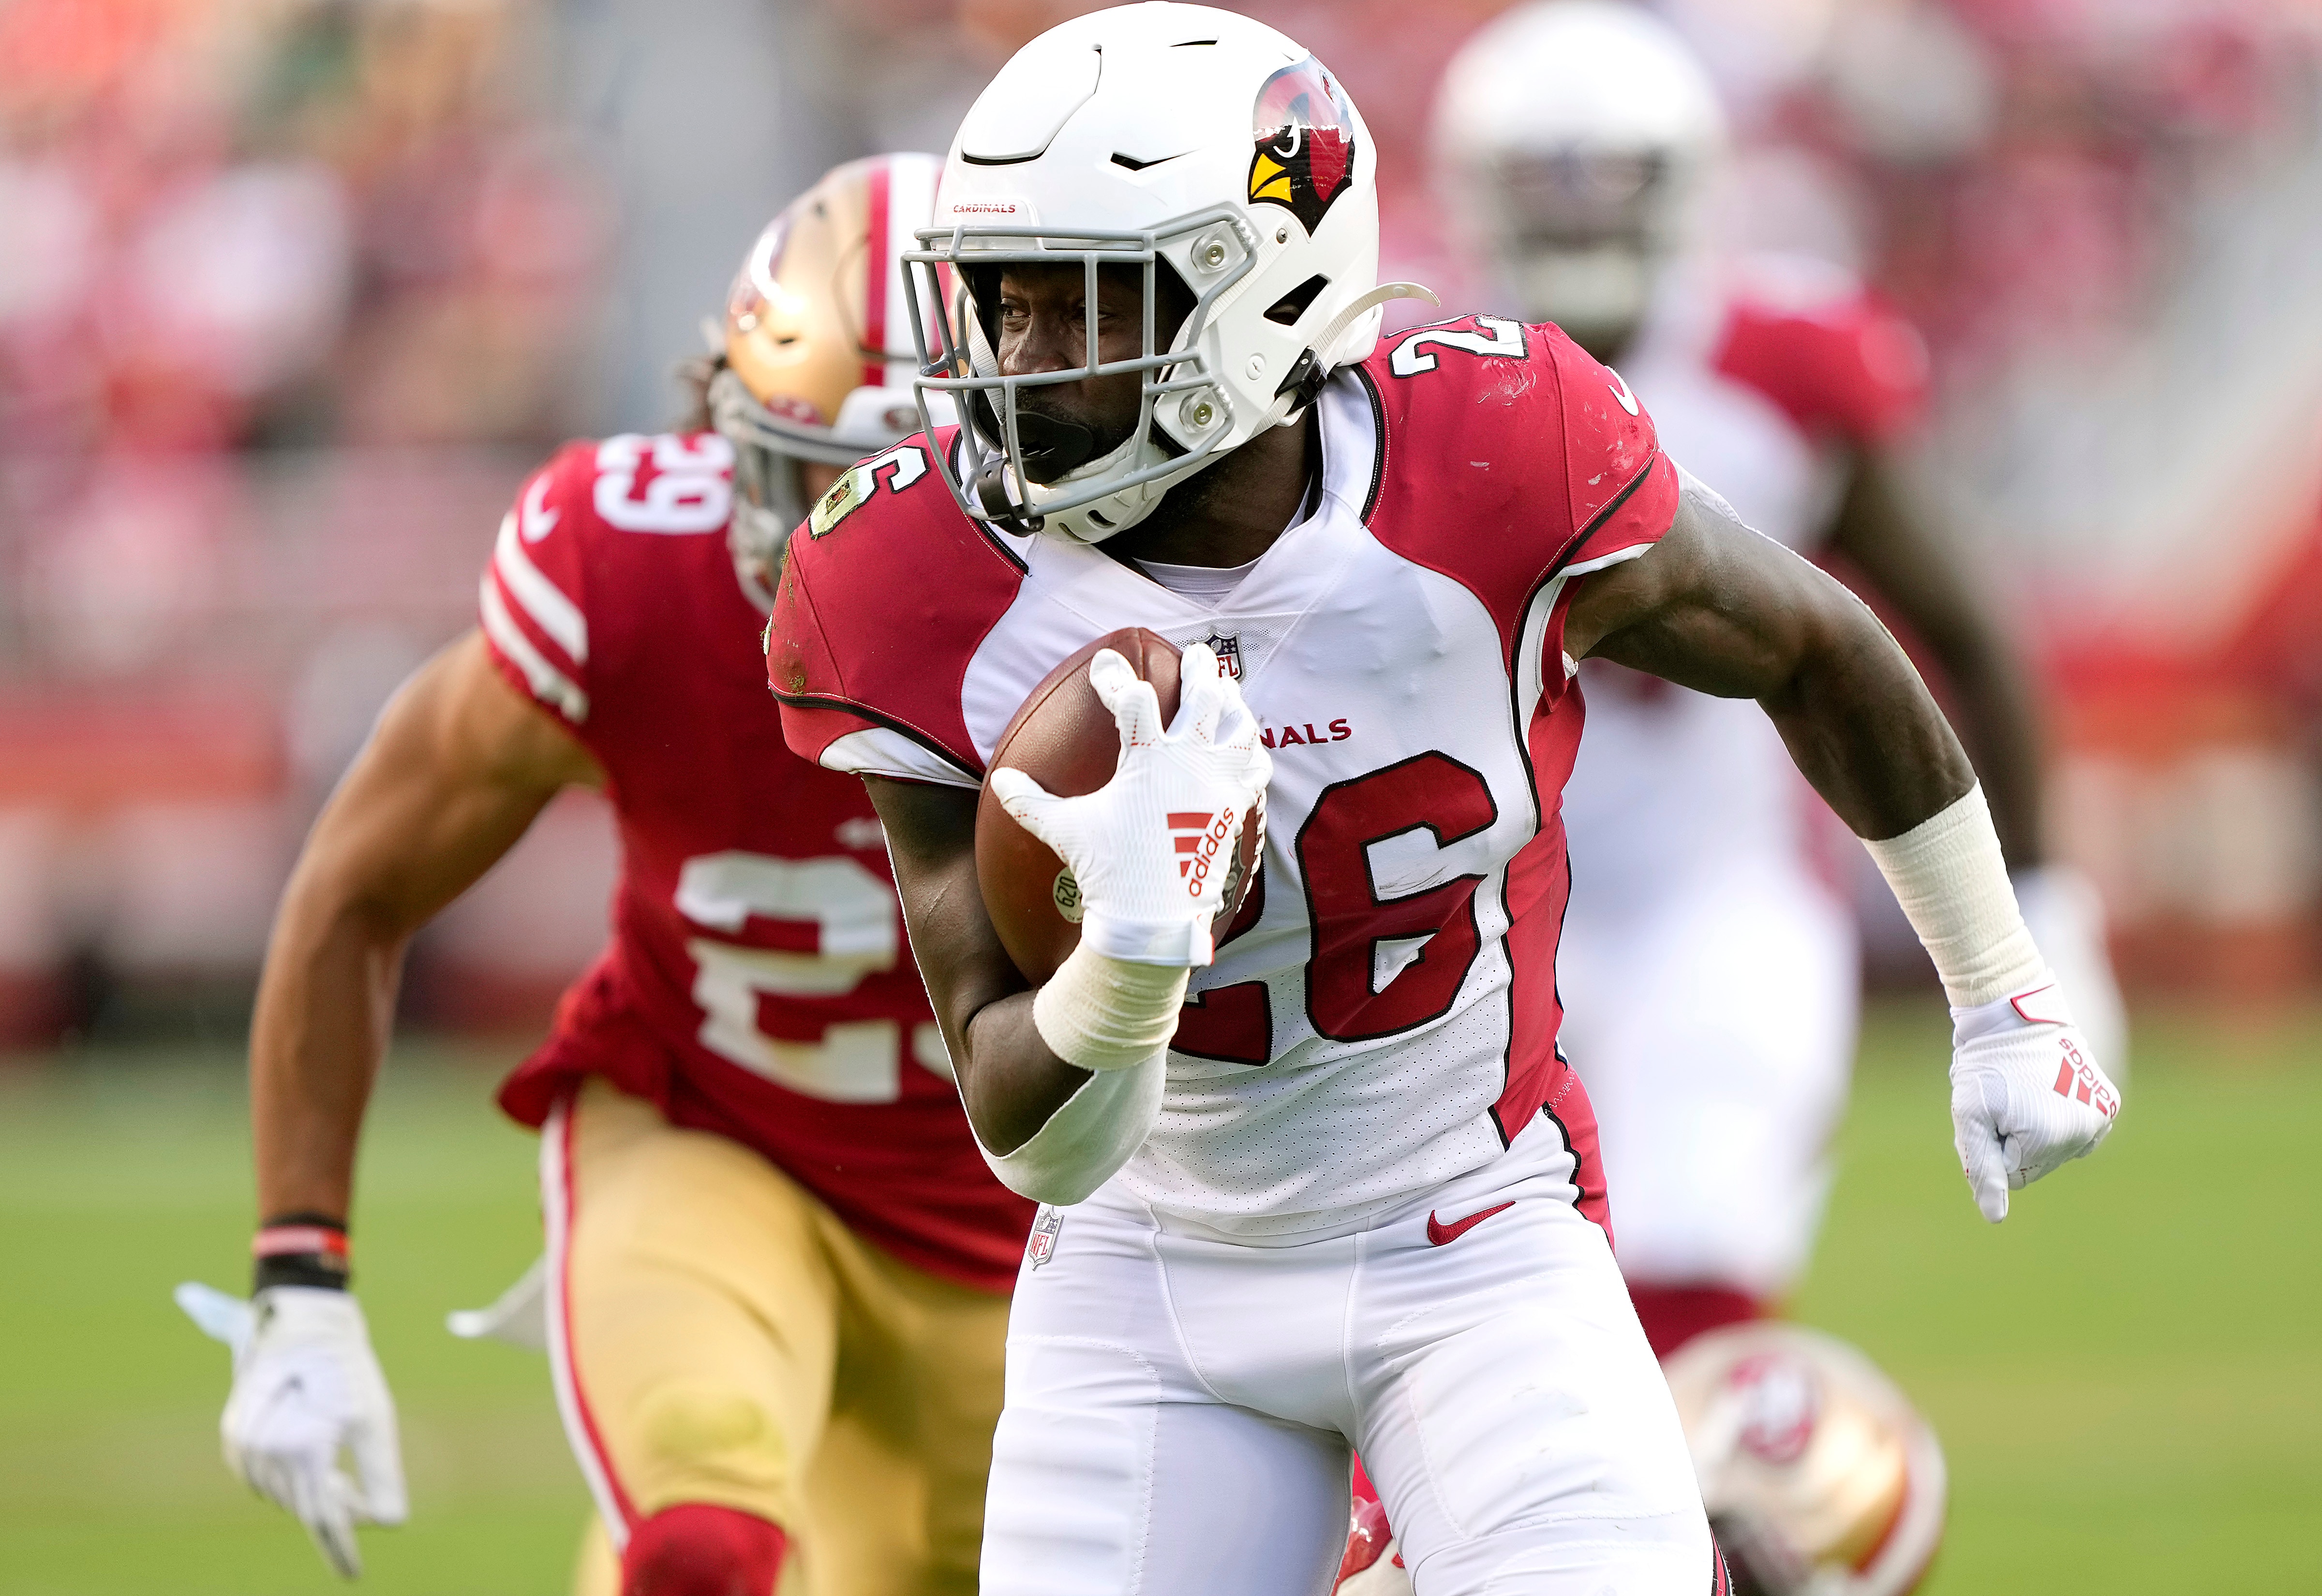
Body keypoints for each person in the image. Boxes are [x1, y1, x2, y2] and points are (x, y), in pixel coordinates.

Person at [770, 8, 2120, 1595]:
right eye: (1005, 301)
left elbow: (1817, 644)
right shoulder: (911, 579)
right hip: (1149, 1279)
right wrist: (1130, 954)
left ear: (1254, 289)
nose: (1025, 362)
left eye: (1085, 302)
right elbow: (1033, 1133)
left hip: (1472, 1233)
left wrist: (2002, 985)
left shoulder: (1489, 450)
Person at [180, 153, 1031, 1596]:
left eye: (898, 502)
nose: (840, 554)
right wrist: (300, 1272)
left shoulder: (1135, 617)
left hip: (1041, 1229)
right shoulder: (633, 571)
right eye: (806, 483)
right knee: (703, 1539)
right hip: (721, 1139)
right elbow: (357, 884)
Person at [1431, 0, 2129, 1364]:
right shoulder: (1410, 388)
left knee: (1689, 1279)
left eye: (1609, 179)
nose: (1577, 216)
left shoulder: (1781, 368)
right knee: (1485, 1324)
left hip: (1719, 899)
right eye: (1543, 181)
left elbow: (1965, 630)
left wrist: (2045, 920)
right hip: (1483, 916)